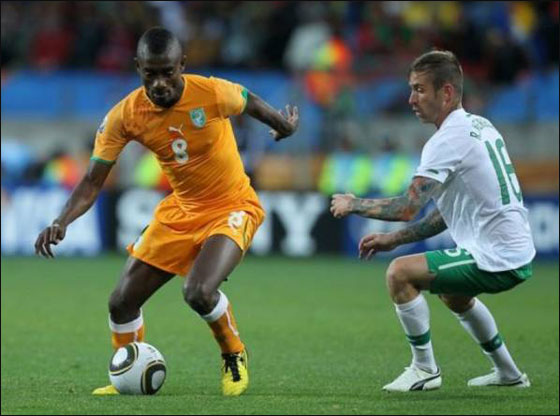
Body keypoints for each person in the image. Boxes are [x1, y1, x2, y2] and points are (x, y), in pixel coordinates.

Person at [34, 27, 299, 396]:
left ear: (182, 65)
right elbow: (93, 181)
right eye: (150, 74)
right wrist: (61, 221)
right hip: (180, 211)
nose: (159, 83)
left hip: (232, 205)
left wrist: (283, 126)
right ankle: (126, 371)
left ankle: (234, 354)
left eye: (167, 73)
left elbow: (248, 100)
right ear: (138, 68)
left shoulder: (211, 92)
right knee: (121, 302)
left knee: (198, 292)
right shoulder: (124, 115)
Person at [330, 50, 534, 392]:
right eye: (411, 89)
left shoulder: (447, 140)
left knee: (399, 273)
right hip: (512, 249)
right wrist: (392, 239)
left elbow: (407, 207)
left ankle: (424, 369)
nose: (411, 99)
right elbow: (444, 215)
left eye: (420, 89)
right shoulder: (479, 126)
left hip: (497, 254)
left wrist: (354, 204)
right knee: (454, 295)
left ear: (447, 92)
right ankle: (509, 374)